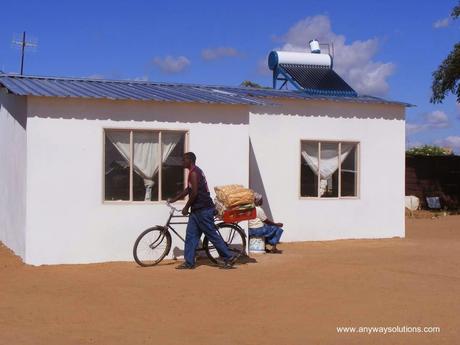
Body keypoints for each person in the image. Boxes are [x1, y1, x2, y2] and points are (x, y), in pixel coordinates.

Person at [168, 152, 238, 269]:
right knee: (190, 236)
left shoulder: (194, 173)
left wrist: (186, 207)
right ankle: (189, 262)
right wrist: (175, 199)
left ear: (190, 160)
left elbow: (194, 193)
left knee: (211, 235)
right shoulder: (194, 172)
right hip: (196, 211)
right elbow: (188, 190)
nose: (182, 162)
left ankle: (228, 257)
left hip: (203, 210)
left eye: (184, 159)